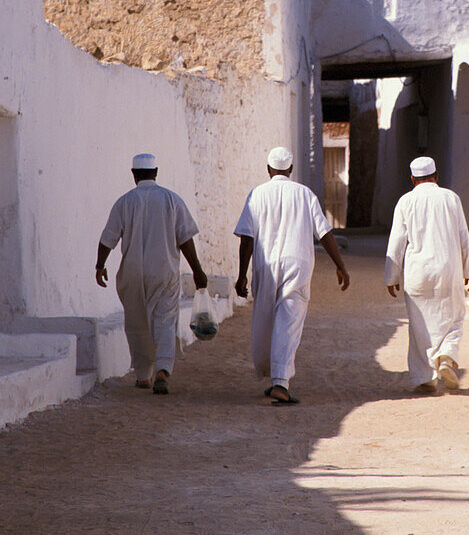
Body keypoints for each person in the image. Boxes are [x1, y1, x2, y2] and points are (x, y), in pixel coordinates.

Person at [234, 146, 350, 405]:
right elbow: (325, 233)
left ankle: (273, 375)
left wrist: (242, 274)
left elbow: (247, 237)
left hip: (266, 263)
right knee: (289, 320)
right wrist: (340, 265)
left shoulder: (257, 194)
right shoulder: (305, 194)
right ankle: (279, 382)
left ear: (268, 169)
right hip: (297, 264)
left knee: (264, 319)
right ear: (291, 170)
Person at [95, 153, 207, 395]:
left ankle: (143, 375)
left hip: (132, 274)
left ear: (134, 174)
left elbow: (108, 239)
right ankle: (163, 370)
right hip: (164, 271)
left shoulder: (124, 202)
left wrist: (99, 265)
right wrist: (197, 270)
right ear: (155, 172)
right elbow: (185, 239)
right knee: (165, 320)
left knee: (136, 323)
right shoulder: (172, 200)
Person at [385, 155, 469, 394]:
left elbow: (397, 242)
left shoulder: (405, 202)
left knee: (419, 326)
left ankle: (425, 376)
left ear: (412, 179)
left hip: (417, 273)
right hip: (449, 270)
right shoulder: (451, 198)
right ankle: (446, 357)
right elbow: (463, 237)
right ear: (436, 176)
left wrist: (391, 276)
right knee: (455, 317)